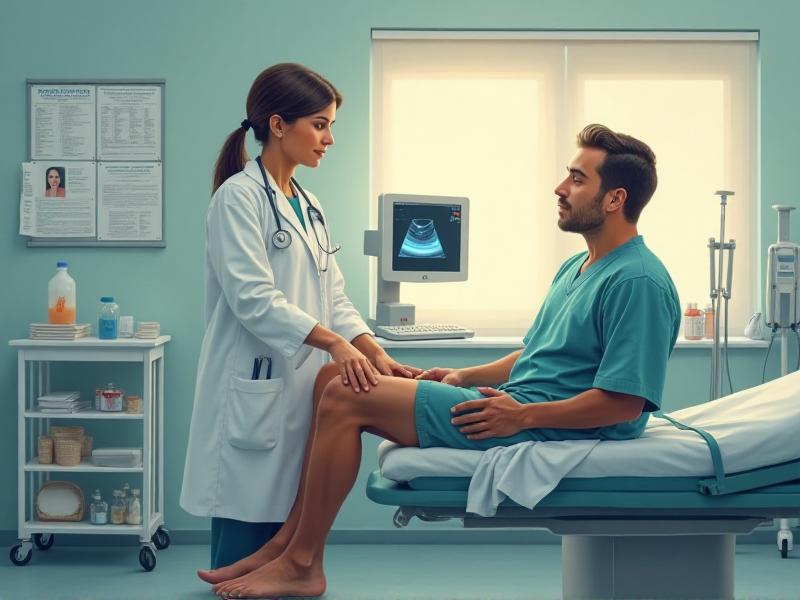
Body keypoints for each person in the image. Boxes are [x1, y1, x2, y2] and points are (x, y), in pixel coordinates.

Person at [207, 124, 682, 599]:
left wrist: (521, 416)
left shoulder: (637, 281)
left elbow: (624, 404)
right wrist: (463, 375)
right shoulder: (579, 266)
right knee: (335, 372)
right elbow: (538, 354)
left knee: (345, 392)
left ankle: (303, 564)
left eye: (577, 179)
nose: (560, 188)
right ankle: (287, 544)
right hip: (515, 405)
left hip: (538, 419)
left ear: (615, 199)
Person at [180, 63, 419, 574]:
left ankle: (287, 574)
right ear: (278, 124)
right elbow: (252, 298)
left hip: (302, 382)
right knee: (247, 512)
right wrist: (335, 345)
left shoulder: (309, 204)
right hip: (255, 377)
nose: (329, 138)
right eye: (320, 124)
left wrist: (375, 351)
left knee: (291, 503)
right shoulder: (238, 198)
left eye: (332, 125)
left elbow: (333, 294)